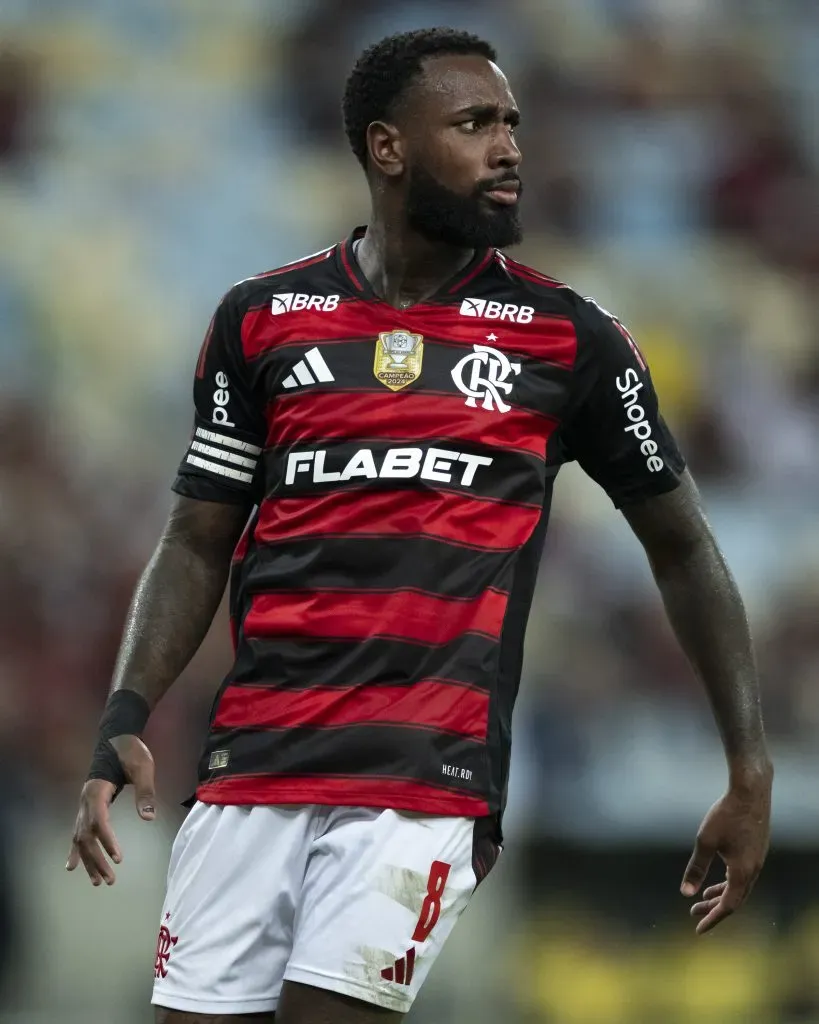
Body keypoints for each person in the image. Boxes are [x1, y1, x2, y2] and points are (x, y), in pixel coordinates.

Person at [66, 26, 773, 1024]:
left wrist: (748, 766)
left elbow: (685, 548)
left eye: (511, 123)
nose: (509, 148)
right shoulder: (260, 320)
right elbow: (194, 540)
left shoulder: (570, 339)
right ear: (387, 147)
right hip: (250, 768)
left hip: (422, 781)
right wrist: (123, 717)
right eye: (475, 124)